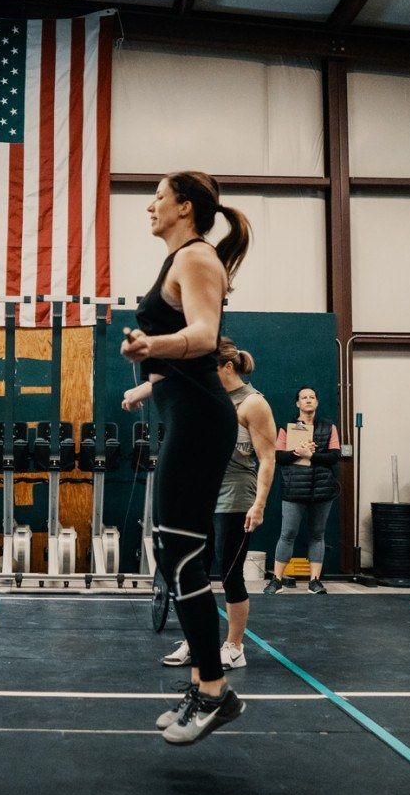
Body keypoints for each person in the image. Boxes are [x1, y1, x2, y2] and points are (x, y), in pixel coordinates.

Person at [120, 170, 251, 745]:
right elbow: (185, 362)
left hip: (200, 423)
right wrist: (148, 378)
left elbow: (203, 336)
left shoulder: (196, 259)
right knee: (175, 551)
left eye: (158, 198)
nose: (151, 206)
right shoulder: (180, 259)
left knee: (179, 553)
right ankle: (203, 685)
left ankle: (216, 692)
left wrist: (152, 345)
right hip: (185, 415)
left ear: (185, 208)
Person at [133, 338, 275, 671]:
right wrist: (138, 392)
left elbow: (267, 458)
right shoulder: (209, 395)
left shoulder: (253, 404)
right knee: (191, 573)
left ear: (228, 366)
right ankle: (198, 641)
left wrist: (260, 505)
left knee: (230, 576)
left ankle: (234, 646)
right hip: (202, 493)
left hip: (236, 496)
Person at [267, 387, 341, 595]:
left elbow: (334, 456)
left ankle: (314, 581)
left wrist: (311, 455)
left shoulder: (329, 427)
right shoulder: (287, 428)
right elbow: (279, 457)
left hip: (322, 490)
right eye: (304, 398)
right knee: (287, 533)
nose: (308, 400)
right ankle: (276, 580)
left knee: (318, 535)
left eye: (312, 397)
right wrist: (296, 453)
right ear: (297, 404)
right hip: (294, 489)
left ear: (316, 402)